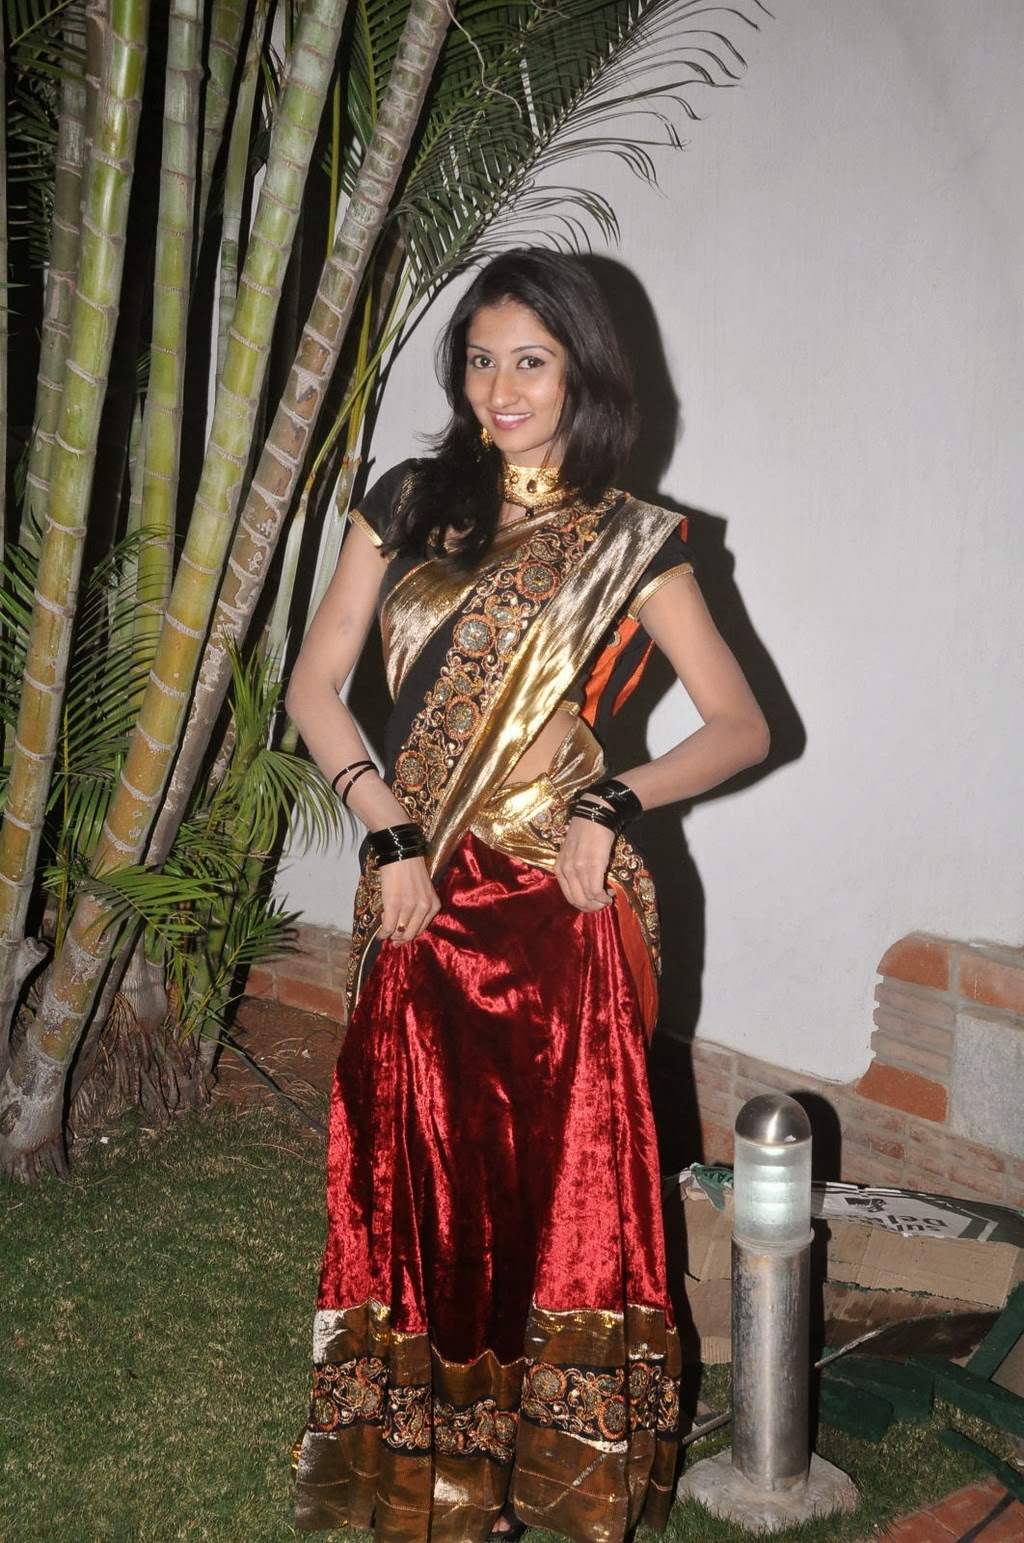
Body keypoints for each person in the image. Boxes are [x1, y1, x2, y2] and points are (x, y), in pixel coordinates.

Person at [287, 248, 769, 1543]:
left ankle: (544, 1474)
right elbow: (314, 684)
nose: (501, 390)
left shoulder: (629, 540)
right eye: (481, 360)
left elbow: (740, 725)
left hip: (560, 911)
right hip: (419, 900)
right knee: (428, 1187)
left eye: (531, 363)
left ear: (582, 374)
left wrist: (616, 800)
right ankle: (442, 1473)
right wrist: (386, 825)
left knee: (554, 1195)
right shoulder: (408, 503)